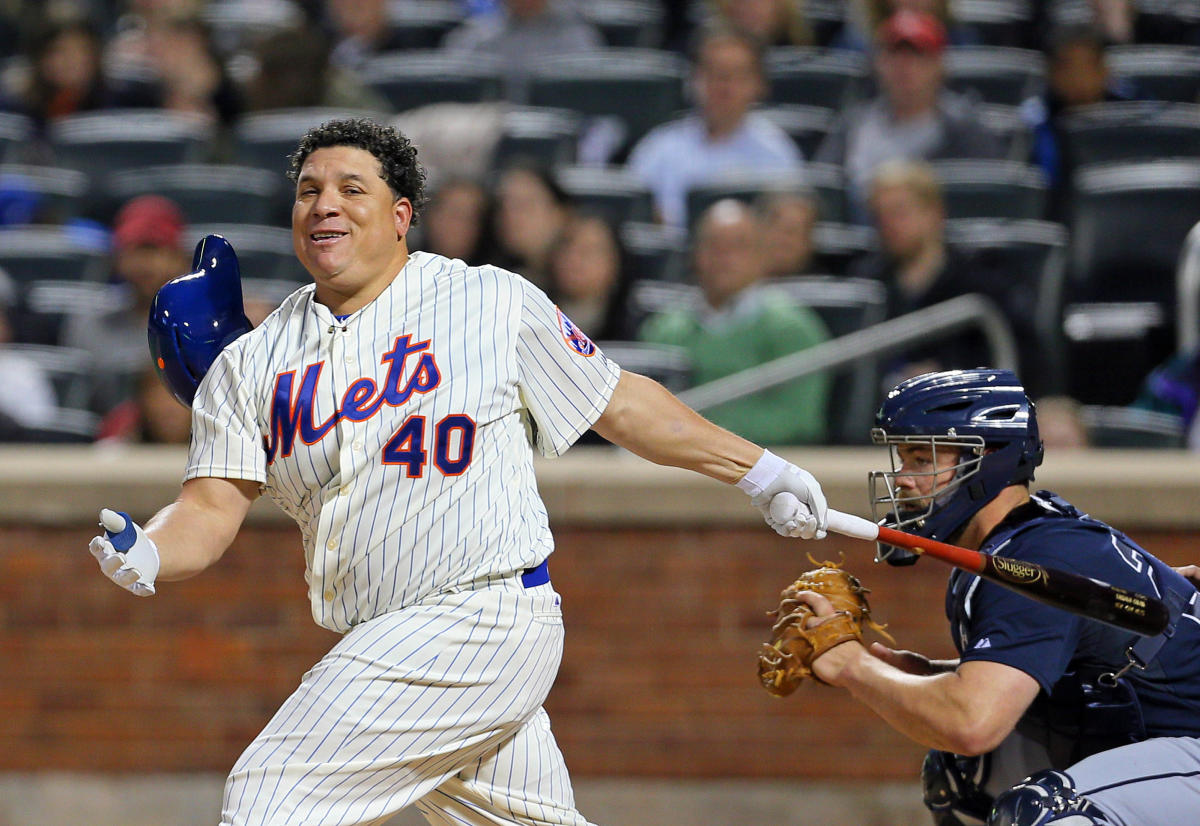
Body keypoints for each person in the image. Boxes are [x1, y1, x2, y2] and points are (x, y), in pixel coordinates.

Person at [85, 117, 829, 826]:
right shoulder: (251, 363)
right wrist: (152, 548)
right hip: (382, 637)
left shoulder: (487, 301)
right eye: (309, 189)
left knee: (270, 793)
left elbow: (622, 404)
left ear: (401, 214)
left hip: (481, 614)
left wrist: (757, 470)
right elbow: (210, 508)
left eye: (352, 188)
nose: (324, 205)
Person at [789, 368, 1200, 826]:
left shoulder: (1040, 557)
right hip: (1161, 732)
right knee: (959, 775)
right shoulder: (1017, 546)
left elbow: (972, 724)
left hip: (1190, 740)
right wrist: (933, 677)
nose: (902, 479)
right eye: (901, 459)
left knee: (1047, 812)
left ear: (987, 459)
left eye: (921, 460)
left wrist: (852, 665)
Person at [639, 198, 831, 445]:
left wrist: (698, 433)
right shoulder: (664, 329)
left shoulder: (793, 329)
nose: (724, 257)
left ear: (762, 255)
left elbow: (798, 419)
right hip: (672, 465)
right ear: (695, 254)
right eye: (713, 245)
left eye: (738, 246)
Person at [814, 9, 1005, 222]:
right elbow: (822, 191)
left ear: (939, 65)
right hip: (860, 243)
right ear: (878, 63)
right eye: (894, 55)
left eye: (917, 55)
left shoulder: (967, 131)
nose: (905, 67)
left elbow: (985, 207)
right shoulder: (854, 124)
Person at [626, 25, 805, 228]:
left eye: (736, 75)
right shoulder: (658, 150)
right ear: (693, 80)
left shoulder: (777, 155)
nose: (724, 87)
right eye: (713, 73)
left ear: (759, 84)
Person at [847, 159, 994, 382]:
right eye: (880, 215)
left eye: (899, 212)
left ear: (935, 212)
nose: (889, 224)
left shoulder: (979, 278)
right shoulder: (867, 283)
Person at [63, 193, 189, 414]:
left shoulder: (207, 325)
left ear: (180, 257)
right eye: (134, 251)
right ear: (117, 259)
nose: (145, 265)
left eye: (154, 250)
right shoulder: (90, 325)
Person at [1020, 25, 1135, 221]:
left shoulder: (1133, 107)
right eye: (1068, 68)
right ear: (1051, 74)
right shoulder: (1037, 122)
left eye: (1087, 67)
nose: (1078, 78)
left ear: (1104, 70)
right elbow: (1041, 189)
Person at [442, 0, 604, 102]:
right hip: (491, 133)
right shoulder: (476, 36)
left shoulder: (577, 36)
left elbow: (593, 99)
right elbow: (452, 90)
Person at [545, 212, 636, 342]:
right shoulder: (527, 314)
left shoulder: (639, 330)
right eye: (567, 246)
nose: (574, 259)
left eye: (588, 251)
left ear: (616, 262)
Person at [490, 159, 573, 290]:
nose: (510, 216)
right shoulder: (492, 279)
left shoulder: (581, 277)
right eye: (503, 206)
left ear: (560, 213)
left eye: (524, 205)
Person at [416, 175, 497, 267]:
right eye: (451, 213)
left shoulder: (499, 277)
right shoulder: (403, 269)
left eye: (468, 216)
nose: (457, 225)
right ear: (430, 216)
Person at [756, 188, 820, 278]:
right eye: (779, 228)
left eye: (795, 232)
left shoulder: (818, 287)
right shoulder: (736, 286)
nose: (785, 241)